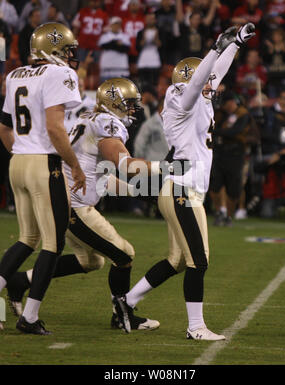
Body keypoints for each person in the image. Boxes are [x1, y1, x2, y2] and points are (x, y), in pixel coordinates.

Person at [112, 24, 256, 340]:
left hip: (187, 189)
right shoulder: (179, 96)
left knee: (178, 260)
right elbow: (198, 84)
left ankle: (126, 302)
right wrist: (216, 48)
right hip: (180, 189)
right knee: (198, 261)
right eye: (204, 81)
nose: (211, 87)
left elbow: (212, 76)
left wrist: (236, 45)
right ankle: (195, 327)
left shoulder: (201, 95)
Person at [6, 77, 163, 332]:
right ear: (115, 103)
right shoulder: (107, 124)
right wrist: (166, 169)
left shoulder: (90, 118)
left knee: (91, 261)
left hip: (68, 199)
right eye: (130, 104)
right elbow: (126, 166)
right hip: (74, 207)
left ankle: (20, 281)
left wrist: (141, 192)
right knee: (124, 255)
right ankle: (122, 316)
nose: (134, 109)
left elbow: (98, 178)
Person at [0, 22, 86, 335]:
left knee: (27, 239)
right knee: (52, 242)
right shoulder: (58, 73)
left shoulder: (15, 74)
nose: (71, 55)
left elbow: (4, 128)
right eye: (66, 49)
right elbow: (54, 127)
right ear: (52, 50)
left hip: (18, 161)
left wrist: (23, 153)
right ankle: (31, 317)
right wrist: (74, 164)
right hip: (42, 163)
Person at [209, 90, 252, 227]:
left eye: (226, 104)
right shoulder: (221, 114)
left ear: (232, 102)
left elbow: (235, 132)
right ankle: (219, 212)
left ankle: (228, 216)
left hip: (235, 154)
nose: (224, 106)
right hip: (219, 153)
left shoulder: (243, 114)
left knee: (233, 189)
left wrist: (215, 132)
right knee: (215, 185)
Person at [98, 16, 131, 82]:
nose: (116, 26)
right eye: (115, 24)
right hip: (107, 70)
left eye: (118, 24)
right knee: (106, 91)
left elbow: (126, 49)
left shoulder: (125, 36)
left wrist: (112, 44)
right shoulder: (105, 36)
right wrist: (116, 43)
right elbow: (103, 46)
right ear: (111, 25)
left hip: (121, 70)